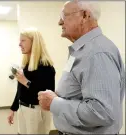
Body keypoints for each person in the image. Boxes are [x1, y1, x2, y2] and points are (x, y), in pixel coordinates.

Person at [38, 1, 125, 134]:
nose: (59, 22)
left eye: (64, 15)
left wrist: (54, 103)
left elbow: (101, 112)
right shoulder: (84, 50)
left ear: (84, 16)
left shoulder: (96, 53)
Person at [7, 27, 56, 134]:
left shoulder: (45, 65)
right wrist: (13, 108)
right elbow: (20, 88)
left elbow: (47, 93)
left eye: (23, 41)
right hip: (23, 108)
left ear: (34, 42)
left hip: (37, 112)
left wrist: (26, 81)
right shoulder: (27, 64)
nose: (19, 44)